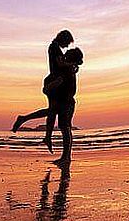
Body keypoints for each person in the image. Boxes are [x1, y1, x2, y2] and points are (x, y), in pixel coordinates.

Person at [11, 30, 82, 160]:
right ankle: (60, 151)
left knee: (53, 113)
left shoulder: (59, 53)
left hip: (58, 86)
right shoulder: (54, 48)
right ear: (63, 39)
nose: (66, 47)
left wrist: (73, 66)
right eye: (67, 43)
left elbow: (64, 65)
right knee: (57, 117)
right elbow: (60, 64)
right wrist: (73, 65)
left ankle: (47, 138)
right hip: (57, 84)